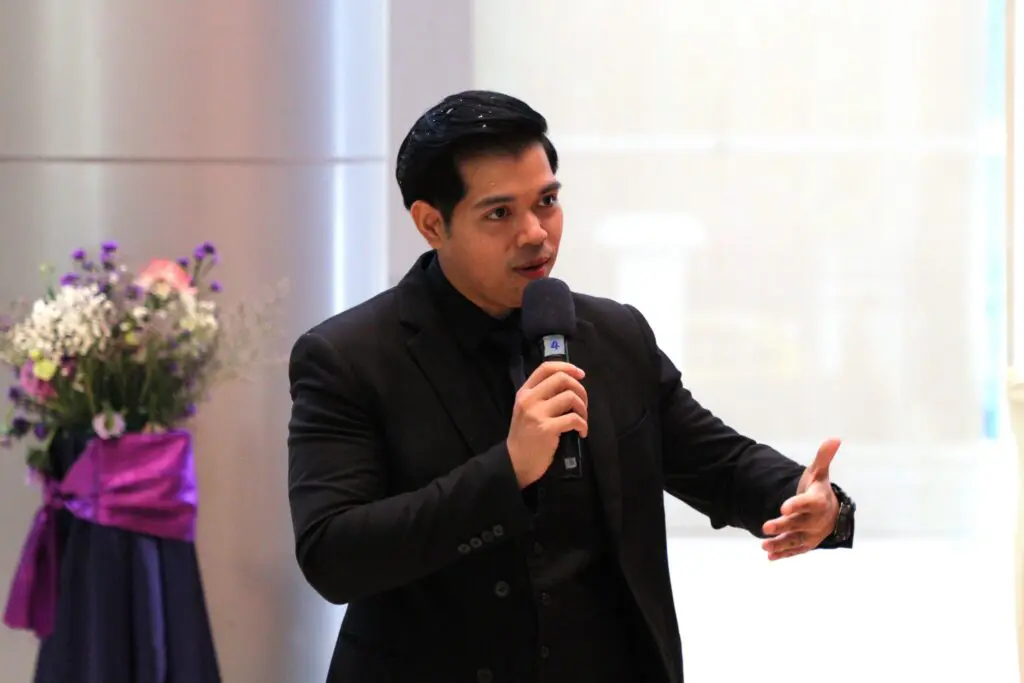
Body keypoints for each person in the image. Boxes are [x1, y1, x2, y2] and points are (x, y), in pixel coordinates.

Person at [287, 90, 856, 683]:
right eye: (499, 214)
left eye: (547, 201)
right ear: (432, 223)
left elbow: (720, 464)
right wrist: (507, 471)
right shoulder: (348, 357)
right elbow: (334, 554)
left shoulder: (613, 334)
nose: (536, 233)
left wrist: (811, 500)